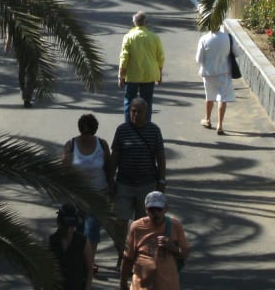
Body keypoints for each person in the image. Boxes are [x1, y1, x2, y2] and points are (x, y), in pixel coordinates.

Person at [110, 98, 165, 263]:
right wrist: (110, 180)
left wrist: (161, 182)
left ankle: (137, 255)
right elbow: (115, 157)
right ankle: (122, 254)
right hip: (124, 184)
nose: (135, 114)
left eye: (138, 111)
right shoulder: (122, 130)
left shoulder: (154, 131)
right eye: (132, 111)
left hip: (146, 185)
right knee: (120, 223)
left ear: (146, 113)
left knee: (142, 224)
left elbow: (160, 158)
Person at [62, 114, 115, 272]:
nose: (85, 136)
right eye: (83, 133)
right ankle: (78, 260)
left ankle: (89, 262)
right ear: (79, 130)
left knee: (92, 230)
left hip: (98, 194)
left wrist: (111, 188)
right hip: (77, 196)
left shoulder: (102, 144)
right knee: (76, 230)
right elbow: (63, 170)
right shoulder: (71, 145)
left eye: (89, 133)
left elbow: (108, 168)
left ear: (94, 131)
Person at [119, 191, 189, 290]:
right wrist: (123, 283)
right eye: (151, 209)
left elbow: (185, 253)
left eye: (159, 209)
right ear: (146, 210)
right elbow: (128, 258)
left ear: (165, 209)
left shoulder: (175, 225)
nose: (155, 213)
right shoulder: (136, 227)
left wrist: (173, 248)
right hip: (141, 286)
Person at [118, 11, 165, 122]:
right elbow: (161, 57)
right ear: (146, 23)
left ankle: (128, 125)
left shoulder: (128, 37)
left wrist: (121, 76)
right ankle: (146, 125)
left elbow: (124, 57)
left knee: (129, 102)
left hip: (132, 75)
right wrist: (159, 74)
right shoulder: (154, 37)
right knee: (147, 102)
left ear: (134, 23)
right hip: (149, 75)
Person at [195, 24, 236, 135]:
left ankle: (207, 119)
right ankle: (220, 125)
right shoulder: (228, 37)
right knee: (222, 98)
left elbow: (199, 59)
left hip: (208, 73)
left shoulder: (204, 39)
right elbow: (237, 53)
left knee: (209, 96)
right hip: (224, 72)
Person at [48, 203, 94, 290]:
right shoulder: (51, 241)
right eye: (67, 226)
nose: (70, 230)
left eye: (72, 226)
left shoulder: (83, 241)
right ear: (59, 223)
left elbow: (90, 269)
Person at [4, 36, 37, 108]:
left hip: (22, 45)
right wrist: (8, 42)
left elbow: (10, 30)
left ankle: (24, 91)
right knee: (28, 70)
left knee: (24, 69)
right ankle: (26, 94)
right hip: (26, 44)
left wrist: (8, 43)